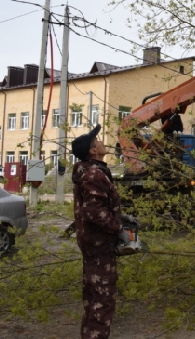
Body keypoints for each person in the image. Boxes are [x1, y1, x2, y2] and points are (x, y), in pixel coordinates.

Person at [71, 124, 134, 339]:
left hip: (93, 245)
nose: (101, 141)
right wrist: (119, 228)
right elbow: (93, 211)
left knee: (93, 298)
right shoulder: (94, 174)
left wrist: (119, 216)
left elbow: (95, 206)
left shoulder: (90, 172)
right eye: (96, 140)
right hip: (99, 247)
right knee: (102, 302)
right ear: (92, 150)